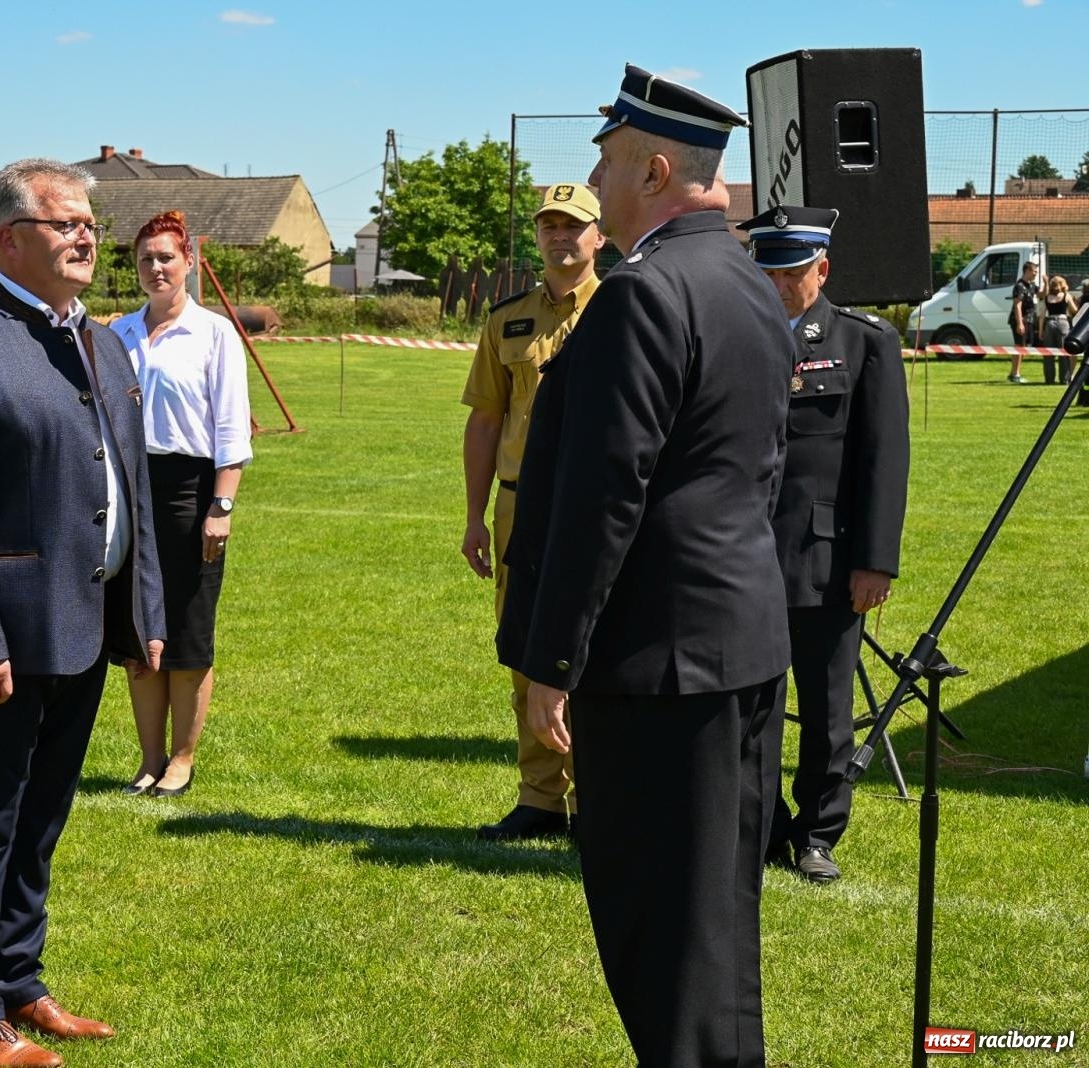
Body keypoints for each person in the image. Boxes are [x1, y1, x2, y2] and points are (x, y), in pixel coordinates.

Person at [500, 66, 792, 1067]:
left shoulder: (646, 293)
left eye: (611, 160)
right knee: (710, 928)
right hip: (735, 650)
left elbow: (602, 500)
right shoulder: (749, 285)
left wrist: (548, 665)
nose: (596, 176)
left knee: (663, 933)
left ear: (658, 170)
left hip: (660, 667)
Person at [0, 158, 164, 1068]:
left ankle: (20, 981)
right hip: (1, 638)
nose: (88, 236)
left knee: (41, 817)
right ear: (11, 239)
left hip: (82, 626)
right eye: (66, 223)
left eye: (91, 222)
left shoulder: (103, 341)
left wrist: (145, 610)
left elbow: (128, 483)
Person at [739, 205, 910, 884]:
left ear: (823, 269)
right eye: (769, 270)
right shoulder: (737, 335)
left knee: (826, 710)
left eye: (792, 271)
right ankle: (760, 828)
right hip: (742, 556)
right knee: (752, 709)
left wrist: (875, 561)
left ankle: (816, 834)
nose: (779, 284)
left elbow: (883, 460)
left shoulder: (865, 341)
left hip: (825, 559)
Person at [461, 182, 604, 841]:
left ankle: (602, 801)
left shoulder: (624, 309)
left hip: (599, 510)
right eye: (549, 225)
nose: (559, 237)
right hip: (520, 510)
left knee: (596, 655)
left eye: (573, 226)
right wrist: (474, 516)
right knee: (527, 654)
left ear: (599, 235)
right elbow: (486, 421)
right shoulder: (506, 320)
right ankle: (542, 800)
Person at [109, 210, 251, 798]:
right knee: (138, 633)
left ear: (188, 261)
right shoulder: (117, 335)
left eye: (166, 257)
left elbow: (230, 431)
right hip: (127, 491)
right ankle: (148, 758)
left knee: (188, 633)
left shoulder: (215, 334)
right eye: (145, 259)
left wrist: (222, 507)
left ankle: (182, 761)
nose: (155, 268)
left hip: (191, 494)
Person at [1041, 274, 1077, 386]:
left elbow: (1042, 315)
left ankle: (1049, 379)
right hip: (1062, 322)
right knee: (1064, 352)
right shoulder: (1066, 296)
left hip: (1049, 323)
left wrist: (1041, 330)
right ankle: (1064, 379)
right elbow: (1074, 311)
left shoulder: (1047, 297)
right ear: (1063, 285)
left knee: (1048, 353)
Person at [1008, 259, 1039, 384]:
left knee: (1024, 348)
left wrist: (1046, 283)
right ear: (1027, 271)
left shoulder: (1031, 285)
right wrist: (1020, 323)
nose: (1036, 273)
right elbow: (1017, 305)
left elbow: (1041, 295)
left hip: (1029, 320)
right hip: (1020, 320)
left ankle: (1015, 372)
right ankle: (1015, 374)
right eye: (1034, 271)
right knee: (1019, 346)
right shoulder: (1019, 286)